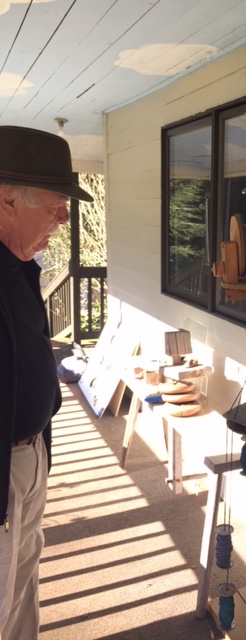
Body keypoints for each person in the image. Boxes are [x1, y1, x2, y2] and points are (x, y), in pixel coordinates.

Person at [0, 125, 93, 640]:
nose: (64, 217)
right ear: (6, 199)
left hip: (31, 456)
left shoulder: (19, 266)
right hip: (5, 470)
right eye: (56, 204)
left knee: (22, 586)